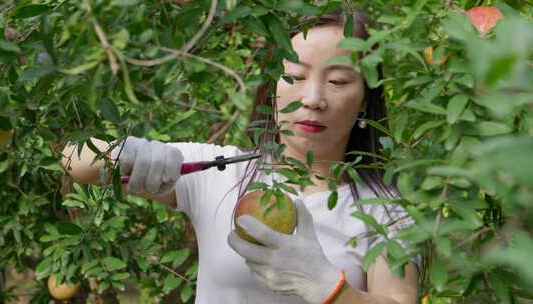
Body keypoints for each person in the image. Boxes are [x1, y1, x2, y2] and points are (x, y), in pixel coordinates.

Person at [62, 8, 419, 304]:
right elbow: (72, 159)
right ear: (270, 87)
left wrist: (328, 286)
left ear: (365, 101)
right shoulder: (221, 172)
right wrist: (130, 154)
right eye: (294, 75)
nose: (313, 98)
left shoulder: (385, 209)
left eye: (338, 81)